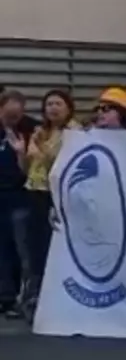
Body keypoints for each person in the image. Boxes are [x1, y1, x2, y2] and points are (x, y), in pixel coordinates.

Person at [21, 90, 77, 320]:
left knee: (51, 245)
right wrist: (23, 153)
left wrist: (41, 150)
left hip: (57, 194)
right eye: (49, 104)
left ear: (68, 107)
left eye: (58, 104)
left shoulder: (74, 132)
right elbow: (28, 168)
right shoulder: (41, 132)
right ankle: (33, 295)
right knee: (34, 246)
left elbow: (65, 164)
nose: (53, 108)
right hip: (35, 191)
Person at [0, 90, 37, 319]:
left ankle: (19, 297)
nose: (13, 120)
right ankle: (5, 298)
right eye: (8, 116)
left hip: (19, 195)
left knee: (20, 249)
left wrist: (21, 154)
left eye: (17, 116)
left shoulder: (30, 128)